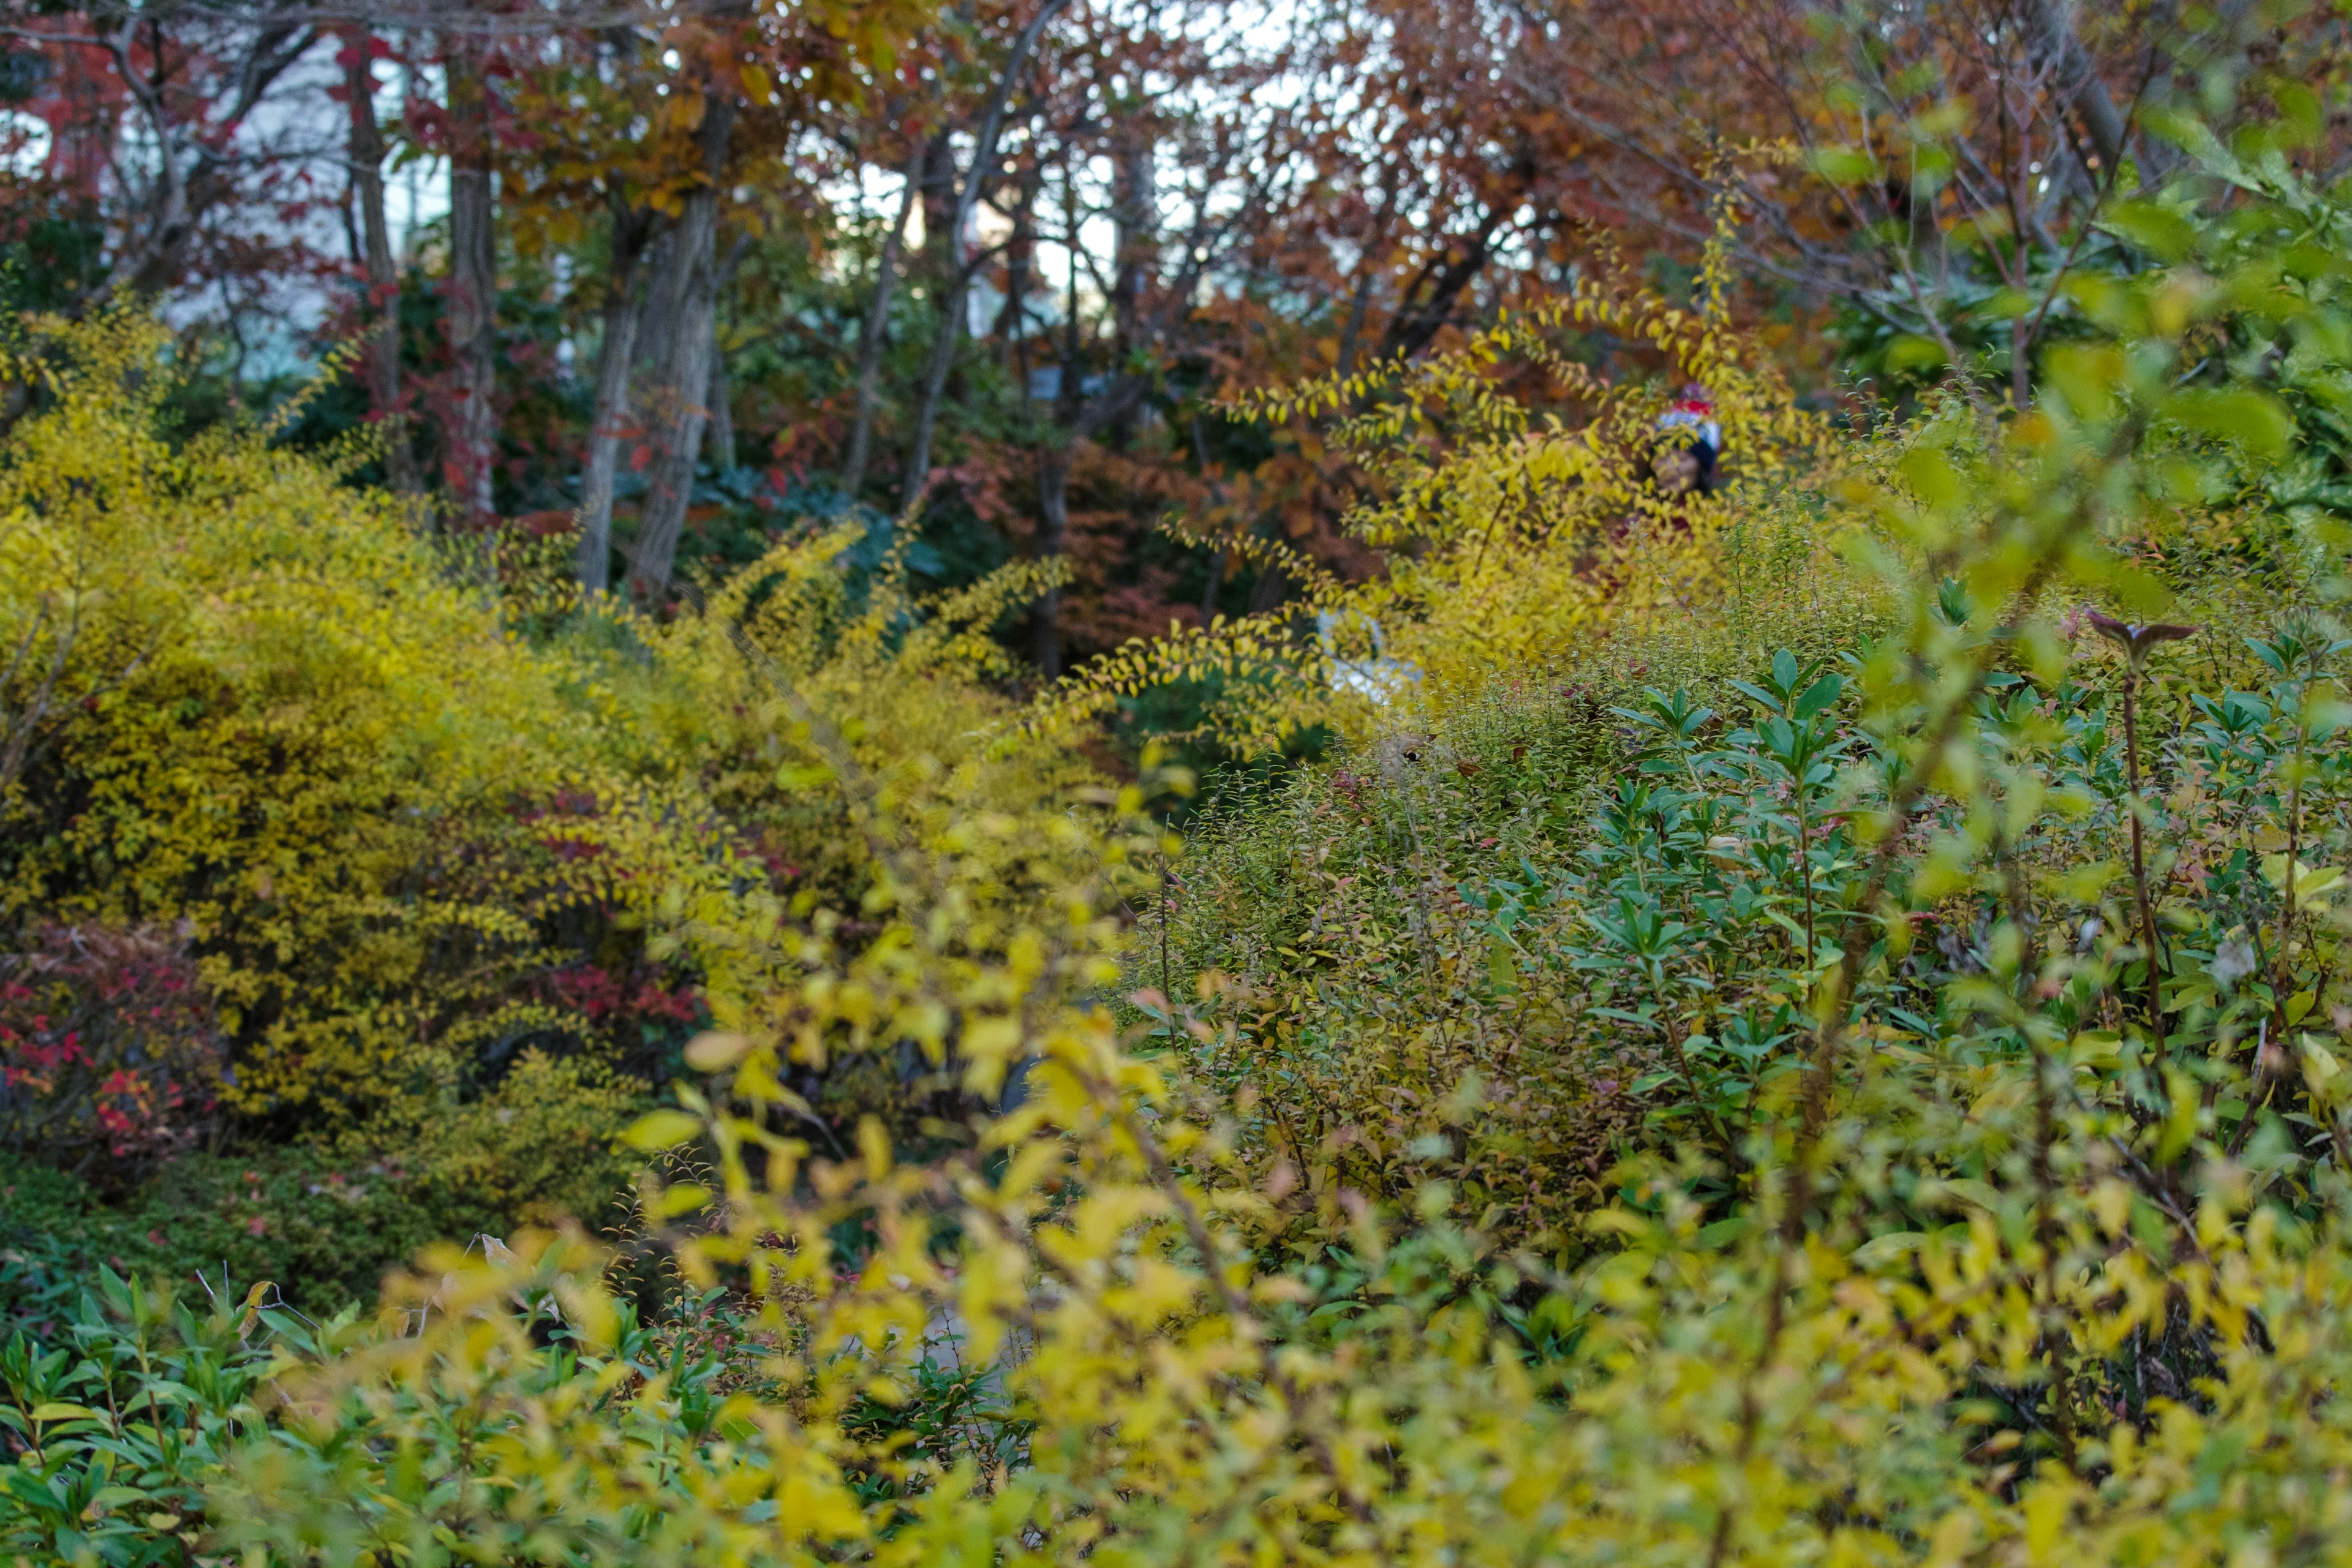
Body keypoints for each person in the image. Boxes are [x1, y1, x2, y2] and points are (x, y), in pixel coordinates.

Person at [1652, 383, 1721, 497]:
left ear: (1702, 466)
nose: (1670, 468)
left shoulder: (1729, 512)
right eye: (1663, 458)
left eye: (1683, 459)